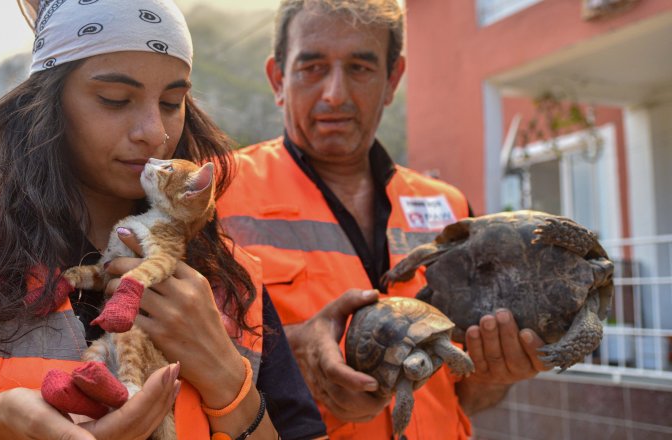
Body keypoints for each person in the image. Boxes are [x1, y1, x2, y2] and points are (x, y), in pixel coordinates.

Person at [0, 1, 327, 439]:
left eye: (171, 102)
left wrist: (229, 383)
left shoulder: (230, 279)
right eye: (115, 99)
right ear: (48, 105)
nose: (153, 132)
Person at [216, 0, 552, 438]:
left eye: (360, 68)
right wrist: (289, 353)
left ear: (393, 80)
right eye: (312, 67)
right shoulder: (215, 194)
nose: (335, 93)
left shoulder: (450, 210)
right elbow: (173, 357)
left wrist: (496, 373)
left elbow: (467, 395)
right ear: (278, 79)